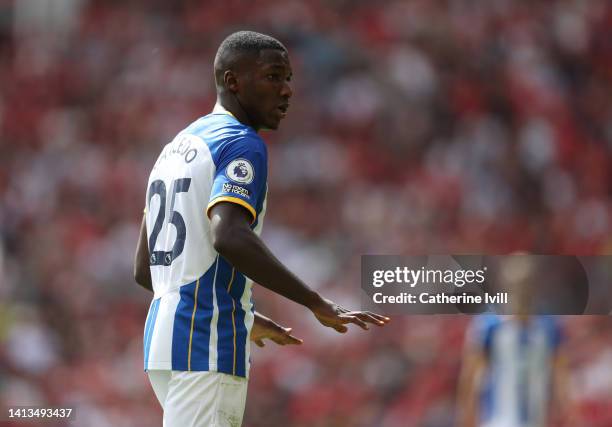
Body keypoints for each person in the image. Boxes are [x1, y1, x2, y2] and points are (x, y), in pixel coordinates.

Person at [133, 30, 390, 427]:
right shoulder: (240, 143)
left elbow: (145, 270)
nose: (286, 90)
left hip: (163, 343)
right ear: (233, 81)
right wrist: (314, 301)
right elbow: (229, 235)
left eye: (288, 79)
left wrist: (247, 318)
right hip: (206, 343)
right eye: (273, 77)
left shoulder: (175, 147)